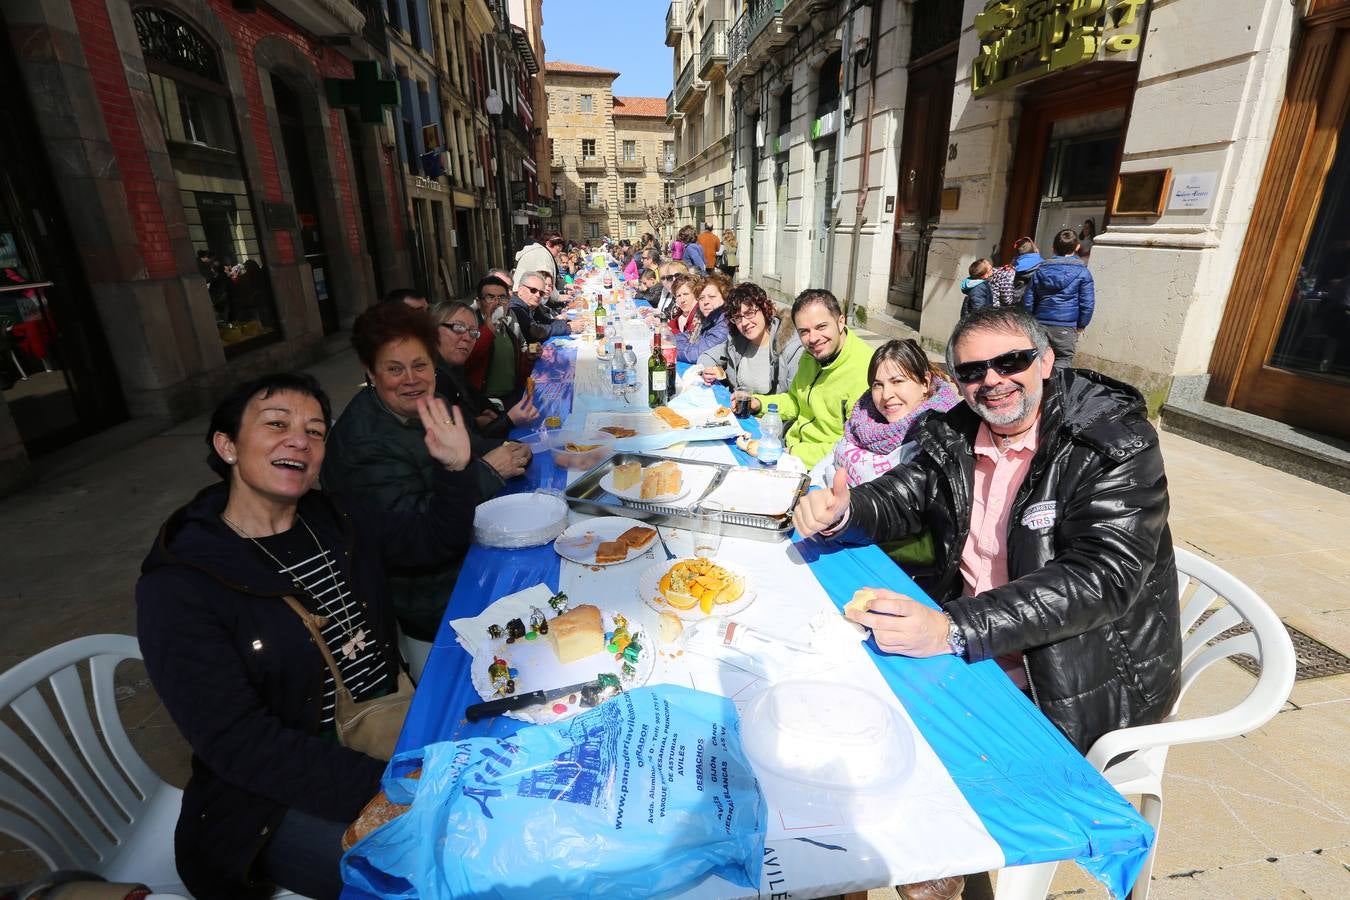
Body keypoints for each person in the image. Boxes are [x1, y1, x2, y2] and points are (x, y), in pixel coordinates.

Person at [137, 372, 477, 899]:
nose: (300, 439)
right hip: (274, 800)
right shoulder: (181, 585)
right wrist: (389, 788)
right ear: (227, 445)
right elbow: (240, 746)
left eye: (316, 431)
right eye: (277, 424)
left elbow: (428, 542)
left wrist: (455, 469)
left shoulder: (334, 517)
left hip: (391, 730)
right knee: (451, 872)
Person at [794, 305, 1182, 758]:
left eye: (1011, 362)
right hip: (973, 648)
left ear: (1046, 360)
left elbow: (1100, 578)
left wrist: (952, 628)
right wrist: (845, 509)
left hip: (1074, 678)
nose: (992, 380)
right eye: (973, 370)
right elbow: (905, 495)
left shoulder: (1109, 441)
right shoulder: (957, 430)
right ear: (957, 381)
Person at [321, 303, 531, 650]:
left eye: (420, 365)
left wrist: (507, 447)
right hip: (432, 605)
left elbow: (467, 443)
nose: (412, 379)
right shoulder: (362, 444)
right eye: (394, 369)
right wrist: (488, 469)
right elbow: (420, 540)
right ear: (371, 373)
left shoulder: (429, 404)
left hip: (467, 559)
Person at [734, 289, 872, 468]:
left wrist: (793, 453)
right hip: (790, 448)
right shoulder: (812, 355)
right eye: (804, 332)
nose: (813, 338)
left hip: (824, 467)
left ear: (840, 322)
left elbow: (853, 448)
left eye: (821, 327)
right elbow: (795, 401)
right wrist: (759, 404)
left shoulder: (866, 370)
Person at [811, 339, 960, 489]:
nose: (886, 395)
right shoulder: (862, 419)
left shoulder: (936, 439)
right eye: (878, 385)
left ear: (925, 383)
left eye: (897, 381)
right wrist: (812, 486)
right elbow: (832, 455)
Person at [697, 281, 802, 395]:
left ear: (765, 308)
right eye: (737, 317)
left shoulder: (791, 347)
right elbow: (706, 357)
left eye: (749, 313)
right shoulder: (737, 341)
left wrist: (758, 404)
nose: (745, 322)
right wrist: (708, 371)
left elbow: (794, 399)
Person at [1027, 228, 1095, 369]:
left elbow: (1028, 299)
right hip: (1066, 325)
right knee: (1063, 359)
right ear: (1077, 247)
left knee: (1038, 359)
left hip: (1040, 322)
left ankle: (1038, 389)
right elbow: (1087, 304)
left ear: (1053, 248)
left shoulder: (1040, 271)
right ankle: (1057, 389)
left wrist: (1029, 320)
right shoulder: (1083, 272)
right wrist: (1082, 324)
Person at [673, 271, 730, 363]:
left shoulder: (725, 324)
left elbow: (695, 354)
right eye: (701, 298)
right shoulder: (707, 319)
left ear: (724, 297)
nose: (705, 302)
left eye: (711, 297)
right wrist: (666, 340)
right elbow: (687, 335)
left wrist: (668, 348)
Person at [510, 271, 582, 342]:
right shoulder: (516, 308)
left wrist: (569, 323)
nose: (538, 295)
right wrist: (568, 328)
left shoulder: (532, 305)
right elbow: (535, 331)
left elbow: (547, 322)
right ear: (521, 290)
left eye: (541, 293)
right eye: (533, 290)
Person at [1009, 237, 1043, 308]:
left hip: (1015, 305)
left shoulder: (1012, 267)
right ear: (1034, 250)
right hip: (1036, 305)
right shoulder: (1042, 266)